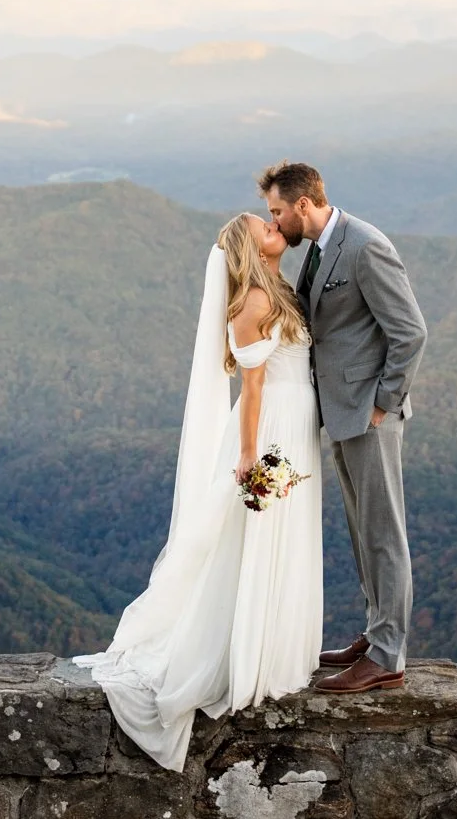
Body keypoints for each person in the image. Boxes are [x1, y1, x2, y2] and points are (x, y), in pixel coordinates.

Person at [74, 213, 323, 771]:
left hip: (297, 424)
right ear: (249, 246)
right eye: (265, 225)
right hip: (273, 430)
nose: (275, 226)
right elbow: (254, 388)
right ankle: (249, 655)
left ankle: (277, 647)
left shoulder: (278, 287)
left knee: (286, 531)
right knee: (260, 532)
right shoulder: (251, 304)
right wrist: (248, 454)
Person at [261, 160, 427, 694]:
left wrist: (384, 401)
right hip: (341, 411)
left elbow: (410, 332)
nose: (276, 220)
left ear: (303, 205)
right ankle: (376, 632)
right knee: (362, 531)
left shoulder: (365, 246)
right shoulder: (318, 249)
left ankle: (387, 657)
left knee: (384, 533)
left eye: (278, 211)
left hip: (368, 414)